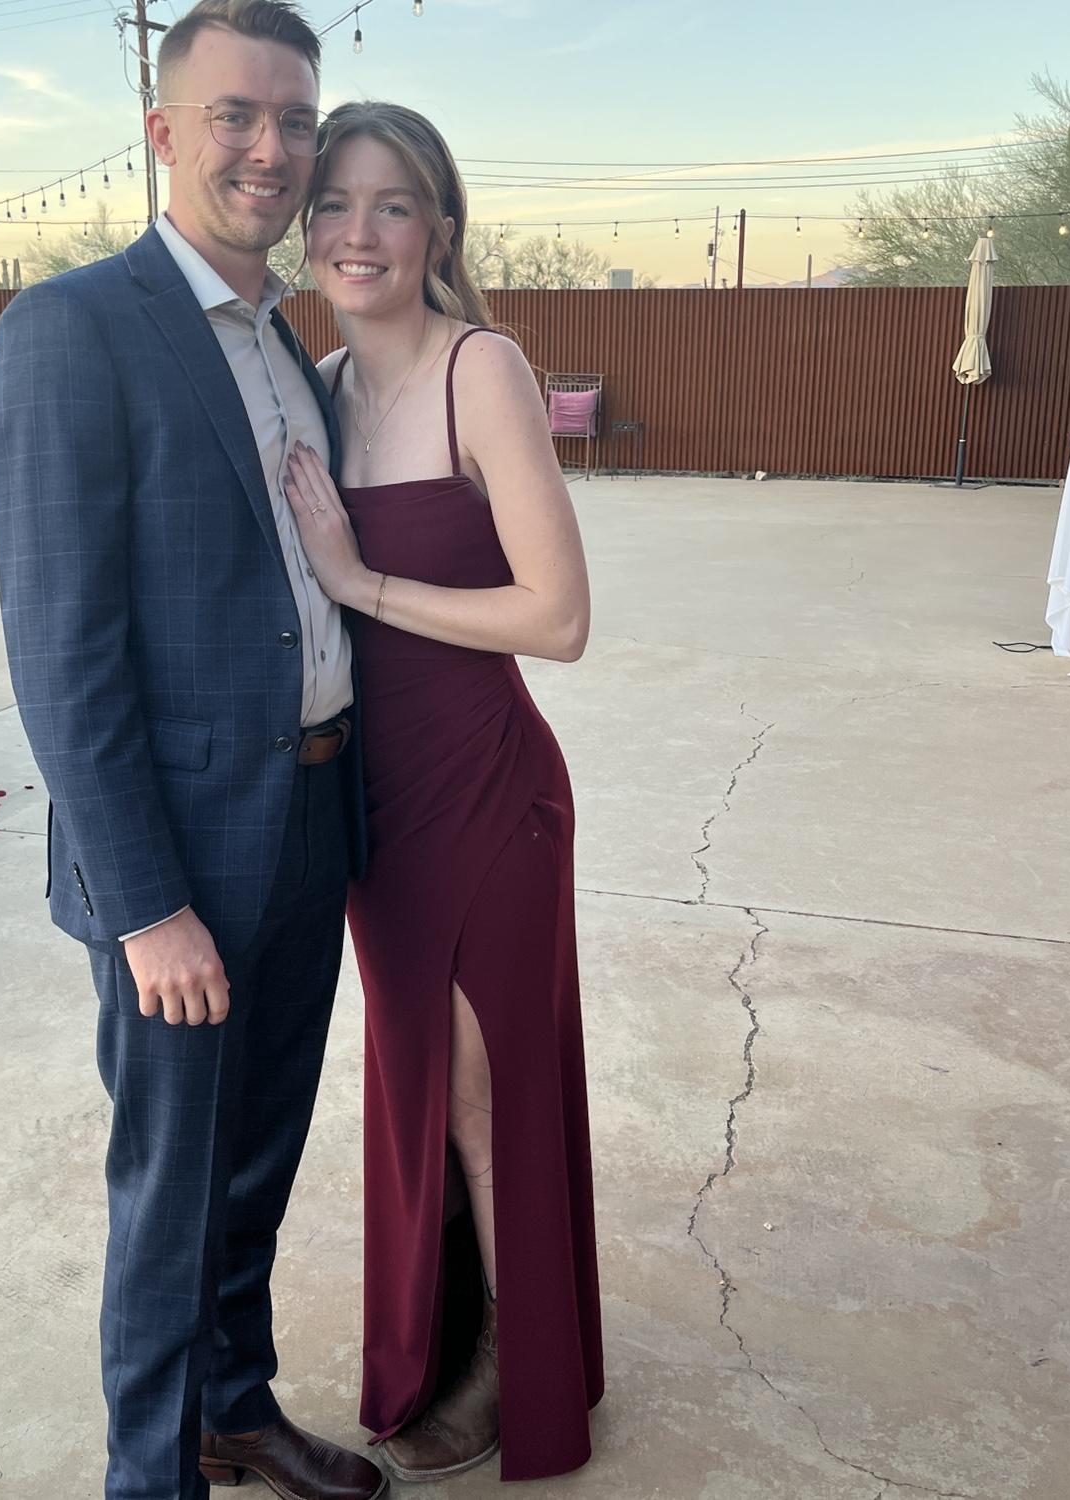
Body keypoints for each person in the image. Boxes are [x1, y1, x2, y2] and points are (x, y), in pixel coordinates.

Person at [0, 4, 386, 1498]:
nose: (272, 149)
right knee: (171, 1189)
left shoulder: (289, 344)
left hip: (314, 817)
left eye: (296, 121)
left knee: (261, 1155)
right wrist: (145, 904)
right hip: (182, 862)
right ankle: (148, 1476)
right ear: (162, 130)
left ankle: (233, 1406)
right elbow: (64, 655)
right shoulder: (73, 329)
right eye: (237, 115)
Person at [282, 101, 606, 1483]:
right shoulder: (312, 385)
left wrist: (361, 583)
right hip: (374, 811)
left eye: (394, 203)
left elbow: (559, 617)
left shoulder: (484, 368)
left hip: (485, 794)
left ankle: (517, 1371)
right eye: (335, 203)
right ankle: (453, 1332)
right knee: (423, 1083)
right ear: (306, 227)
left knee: (481, 1091)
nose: (359, 232)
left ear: (440, 228)